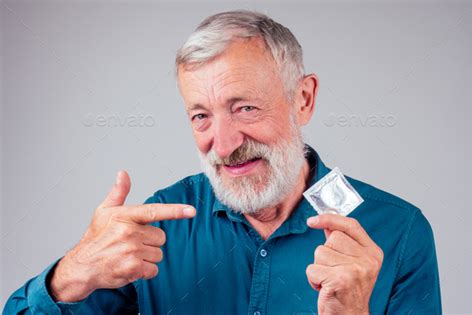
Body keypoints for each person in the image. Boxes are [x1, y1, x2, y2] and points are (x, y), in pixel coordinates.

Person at [4, 10, 441, 314]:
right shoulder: (156, 230)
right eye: (201, 116)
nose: (225, 143)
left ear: (303, 99)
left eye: (245, 108)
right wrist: (72, 274)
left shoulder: (398, 232)